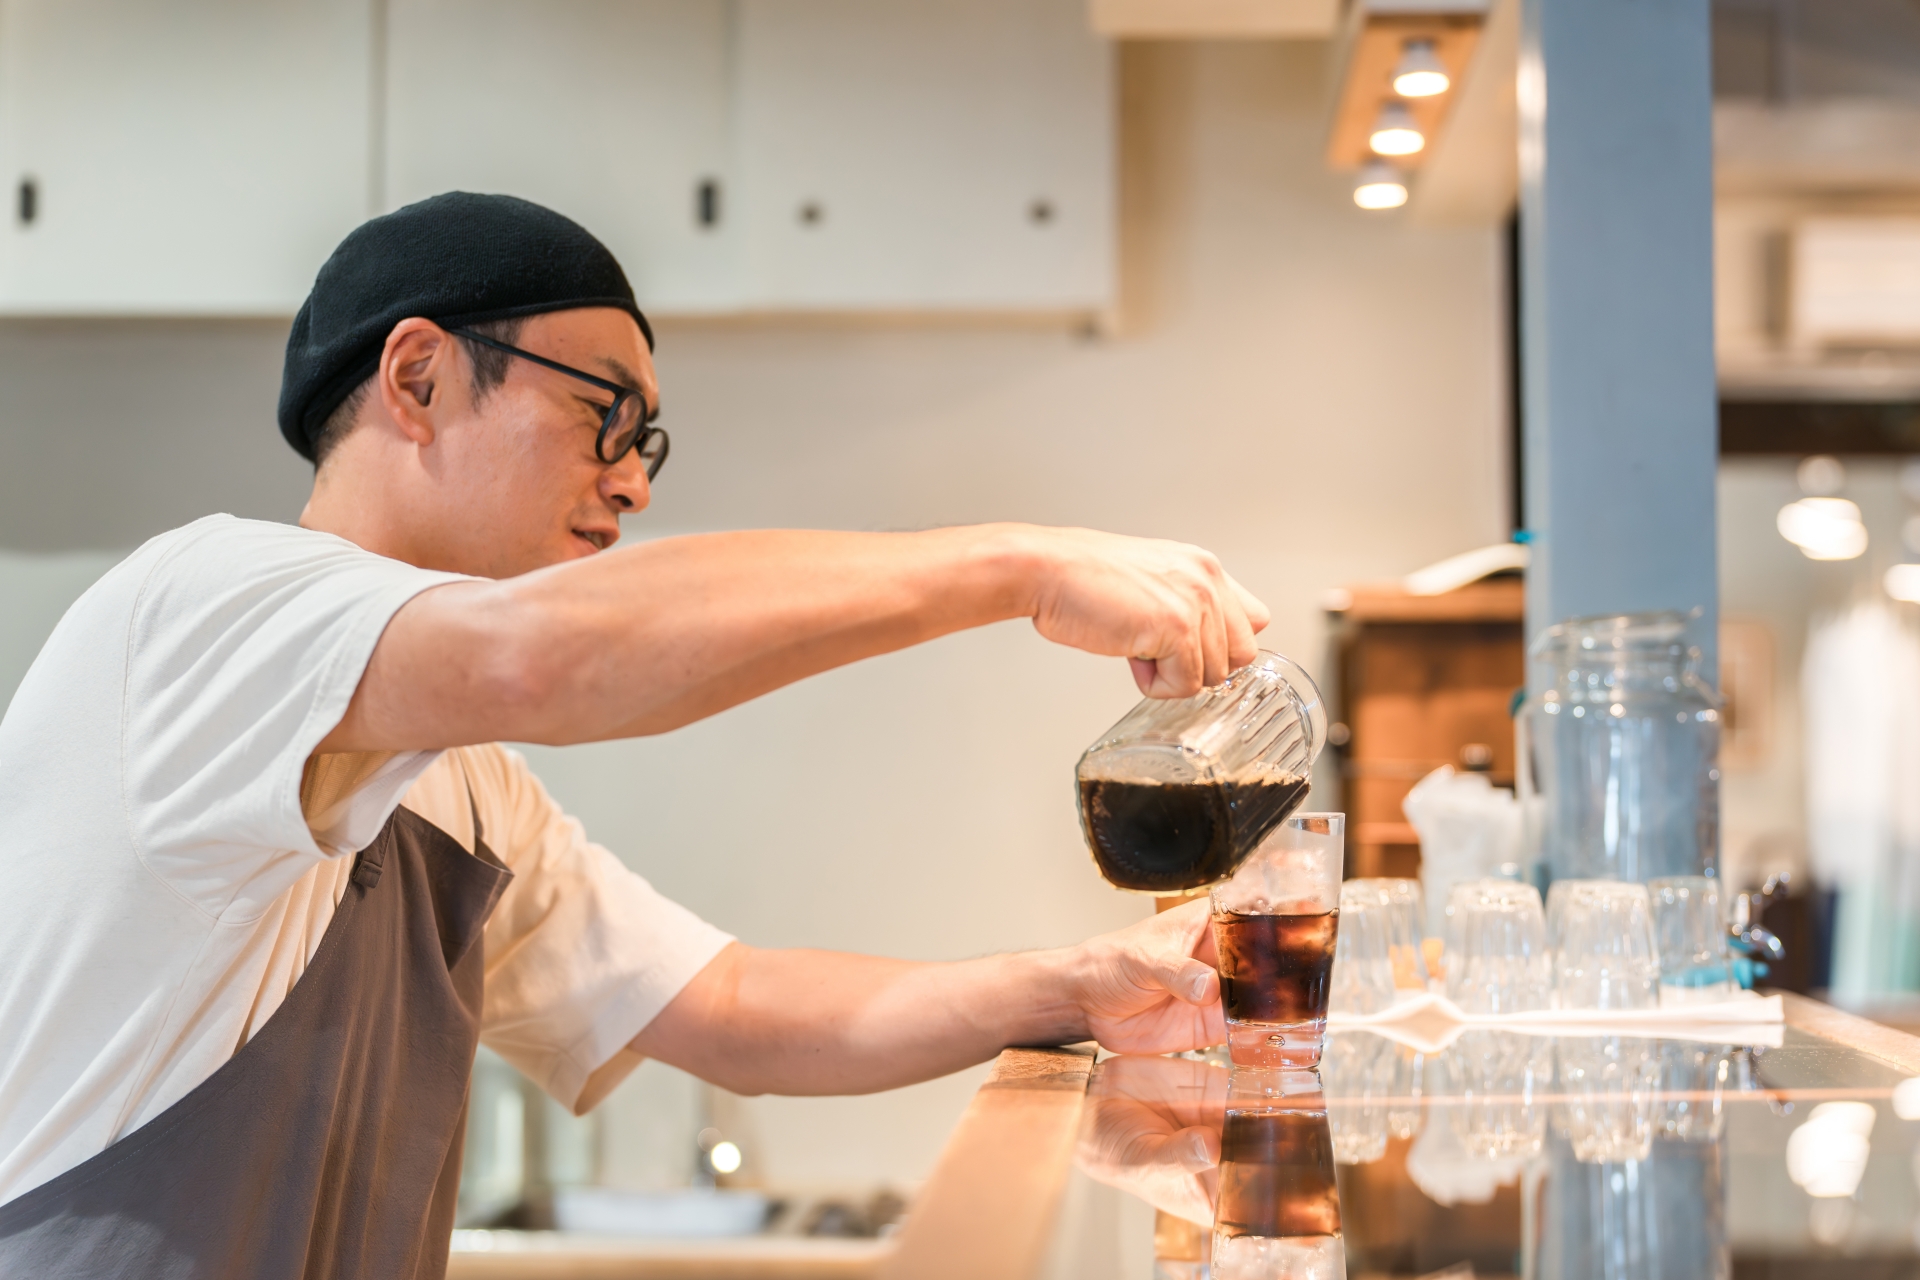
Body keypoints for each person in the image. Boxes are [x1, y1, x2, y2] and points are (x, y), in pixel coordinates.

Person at [0, 193, 1256, 1278]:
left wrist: (1075, 985)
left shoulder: (466, 784)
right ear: (420, 376)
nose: (635, 480)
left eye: (646, 441)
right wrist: (1021, 565)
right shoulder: (206, 603)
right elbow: (548, 653)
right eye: (610, 413)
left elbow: (734, 1007)